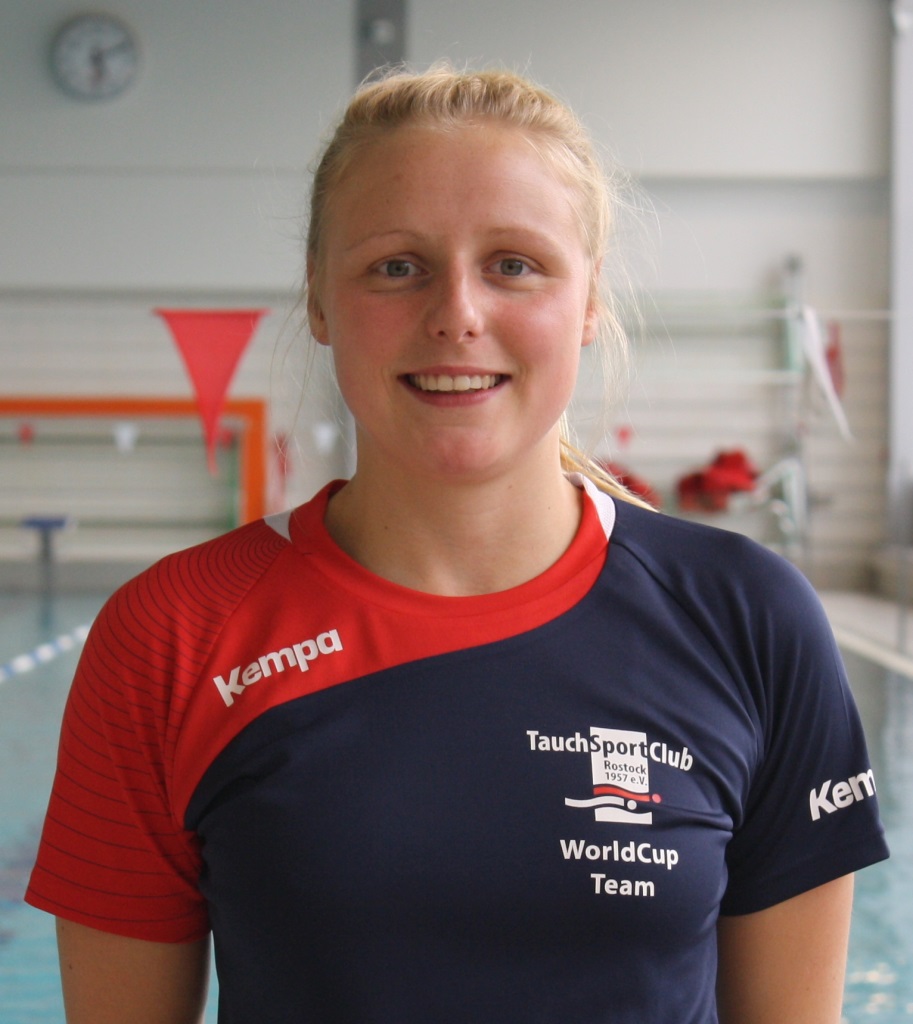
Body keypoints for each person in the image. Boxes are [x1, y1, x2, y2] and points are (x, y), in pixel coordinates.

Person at [27, 65, 888, 1024]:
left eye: (513, 264)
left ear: (589, 300)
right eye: (396, 267)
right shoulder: (173, 635)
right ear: (318, 298)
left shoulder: (746, 619)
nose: (457, 315)